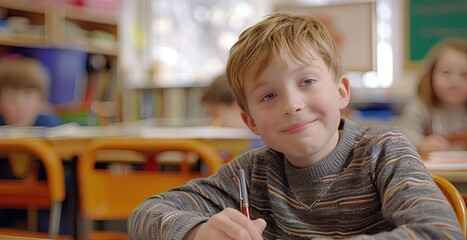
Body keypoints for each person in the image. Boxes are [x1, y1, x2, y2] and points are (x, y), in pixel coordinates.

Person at [128, 13, 464, 239]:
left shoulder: (383, 150)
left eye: (307, 81)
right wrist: (198, 230)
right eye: (269, 95)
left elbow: (439, 231)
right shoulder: (251, 173)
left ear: (341, 91)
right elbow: (144, 214)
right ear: (251, 122)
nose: (292, 104)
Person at [0, 55, 66, 233]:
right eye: (11, 96)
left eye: (28, 95)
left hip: (47, 215)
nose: (19, 104)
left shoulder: (52, 127)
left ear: (41, 101)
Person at [398, 38, 467, 157]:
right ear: (430, 75)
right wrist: (422, 143)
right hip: (429, 173)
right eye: (445, 72)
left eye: (464, 74)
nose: (454, 81)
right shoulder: (420, 105)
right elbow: (403, 136)